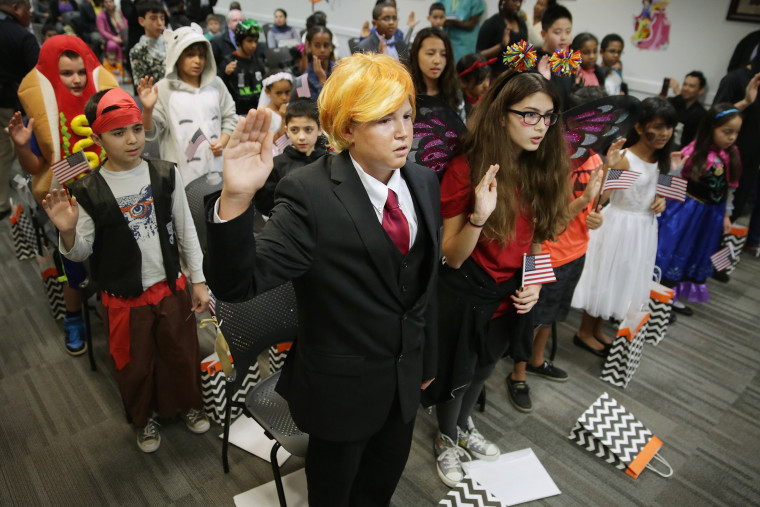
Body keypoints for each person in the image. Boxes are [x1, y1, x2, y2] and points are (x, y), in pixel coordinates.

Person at [204, 52, 441, 506]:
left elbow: (422, 289)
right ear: (347, 129)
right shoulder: (311, 193)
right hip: (341, 393)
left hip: (404, 381)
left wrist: (425, 361)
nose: (403, 130)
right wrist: (235, 197)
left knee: (380, 487)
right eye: (383, 119)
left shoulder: (423, 181)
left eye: (407, 115)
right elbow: (239, 284)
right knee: (334, 493)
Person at [42, 87, 210, 453]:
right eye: (118, 133)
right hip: (123, 297)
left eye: (136, 128)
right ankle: (143, 417)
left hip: (170, 287)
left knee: (181, 353)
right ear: (98, 137)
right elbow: (82, 250)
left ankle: (187, 404)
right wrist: (68, 231)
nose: (132, 139)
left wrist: (198, 280)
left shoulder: (165, 174)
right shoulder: (88, 190)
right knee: (135, 364)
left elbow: (185, 229)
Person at [428, 70, 571, 486]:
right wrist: (479, 216)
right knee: (458, 369)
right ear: (500, 113)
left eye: (548, 117)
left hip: (510, 292)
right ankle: (445, 437)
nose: (541, 126)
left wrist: (537, 282)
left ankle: (464, 425)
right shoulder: (465, 167)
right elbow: (451, 257)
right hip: (465, 289)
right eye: (529, 114)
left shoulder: (541, 165)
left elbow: (539, 240)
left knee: (485, 366)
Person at [12, 35, 118, 356]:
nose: (75, 79)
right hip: (67, 207)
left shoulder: (101, 105)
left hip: (108, 200)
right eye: (66, 73)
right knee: (72, 268)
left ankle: (117, 310)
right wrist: (21, 144)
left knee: (115, 257)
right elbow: (36, 168)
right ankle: (73, 317)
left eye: (80, 72)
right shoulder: (43, 114)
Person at [571, 97, 677, 354]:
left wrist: (660, 203)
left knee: (621, 279)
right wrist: (610, 168)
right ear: (640, 128)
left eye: (669, 127)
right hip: (620, 225)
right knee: (604, 278)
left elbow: (657, 192)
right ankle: (585, 331)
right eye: (658, 126)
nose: (664, 133)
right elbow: (603, 198)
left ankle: (597, 329)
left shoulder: (662, 161)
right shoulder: (626, 160)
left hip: (643, 228)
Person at [656, 104, 742, 313]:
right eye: (726, 132)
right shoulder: (693, 152)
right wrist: (663, 206)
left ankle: (676, 294)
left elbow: (729, 188)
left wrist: (727, 215)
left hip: (712, 215)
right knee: (676, 250)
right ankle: (661, 295)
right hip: (686, 212)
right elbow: (669, 181)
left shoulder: (731, 155)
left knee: (699, 251)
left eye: (736, 133)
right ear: (711, 128)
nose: (731, 138)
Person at [141, 23, 237, 185]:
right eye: (190, 55)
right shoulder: (163, 89)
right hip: (181, 175)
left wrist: (222, 141)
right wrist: (148, 110)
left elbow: (230, 117)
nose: (197, 61)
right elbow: (151, 134)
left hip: (217, 169)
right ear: (176, 56)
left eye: (201, 55)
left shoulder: (216, 84)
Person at [713, 54, 760, 256]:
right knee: (713, 215)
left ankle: (718, 264)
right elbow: (714, 118)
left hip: (749, 165)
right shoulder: (735, 79)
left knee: (732, 215)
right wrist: (746, 102)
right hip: (720, 162)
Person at [254, 97, 326, 216]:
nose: (301, 137)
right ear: (287, 130)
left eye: (308, 129)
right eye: (295, 130)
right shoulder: (276, 165)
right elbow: (265, 205)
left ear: (319, 130)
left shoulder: (330, 162)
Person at [0, 0, 39, 220]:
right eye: (28, 10)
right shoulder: (22, 36)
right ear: (16, 8)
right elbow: (37, 76)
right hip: (12, 106)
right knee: (11, 151)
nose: (30, 15)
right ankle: (3, 202)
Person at [408, 27, 463, 120]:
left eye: (443, 54)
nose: (437, 61)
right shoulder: (405, 93)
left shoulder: (455, 93)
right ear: (415, 55)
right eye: (430, 53)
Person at [220, 19, 265, 116]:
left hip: (257, 112)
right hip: (237, 114)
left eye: (256, 41)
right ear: (239, 41)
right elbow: (219, 91)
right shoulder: (228, 62)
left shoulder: (258, 62)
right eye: (249, 41)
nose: (253, 45)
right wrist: (225, 75)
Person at [476, 0, 528, 76]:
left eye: (520, 1)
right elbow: (479, 56)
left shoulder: (522, 24)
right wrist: (501, 45)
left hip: (517, 77)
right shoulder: (491, 23)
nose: (518, 4)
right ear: (504, 1)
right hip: (496, 77)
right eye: (514, 1)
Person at [537, 4, 573, 109]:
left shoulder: (568, 61)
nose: (564, 37)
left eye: (568, 31)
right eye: (557, 32)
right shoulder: (536, 60)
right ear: (544, 34)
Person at [659, 71, 706, 148]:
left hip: (683, 150)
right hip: (663, 144)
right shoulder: (672, 102)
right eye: (685, 84)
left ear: (700, 90)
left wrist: (677, 91)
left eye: (691, 86)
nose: (686, 88)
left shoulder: (701, 113)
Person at [129, 1, 166, 85]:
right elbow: (141, 85)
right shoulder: (138, 51)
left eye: (162, 18)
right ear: (141, 21)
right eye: (153, 18)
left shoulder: (171, 43)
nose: (159, 23)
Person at [301, 25, 335, 102]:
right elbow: (308, 110)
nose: (322, 50)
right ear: (309, 47)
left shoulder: (339, 70)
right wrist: (322, 80)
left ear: (331, 47)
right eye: (317, 46)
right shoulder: (302, 81)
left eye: (326, 45)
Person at [258, 72, 293, 138]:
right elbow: (278, 143)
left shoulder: (291, 107)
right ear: (267, 92)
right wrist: (283, 119)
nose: (284, 97)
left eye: (287, 92)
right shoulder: (266, 115)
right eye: (279, 93)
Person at [457, 53, 492, 119]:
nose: (486, 85)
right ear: (463, 82)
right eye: (480, 80)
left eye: (487, 78)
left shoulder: (488, 102)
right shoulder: (458, 106)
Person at [96, 0, 128, 64]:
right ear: (103, 4)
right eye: (106, 2)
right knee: (112, 45)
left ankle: (127, 62)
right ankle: (116, 64)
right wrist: (114, 38)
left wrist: (121, 36)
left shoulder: (119, 12)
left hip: (122, 35)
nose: (108, 4)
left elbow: (125, 24)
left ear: (113, 2)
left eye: (110, 2)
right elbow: (102, 31)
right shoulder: (100, 16)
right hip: (110, 38)